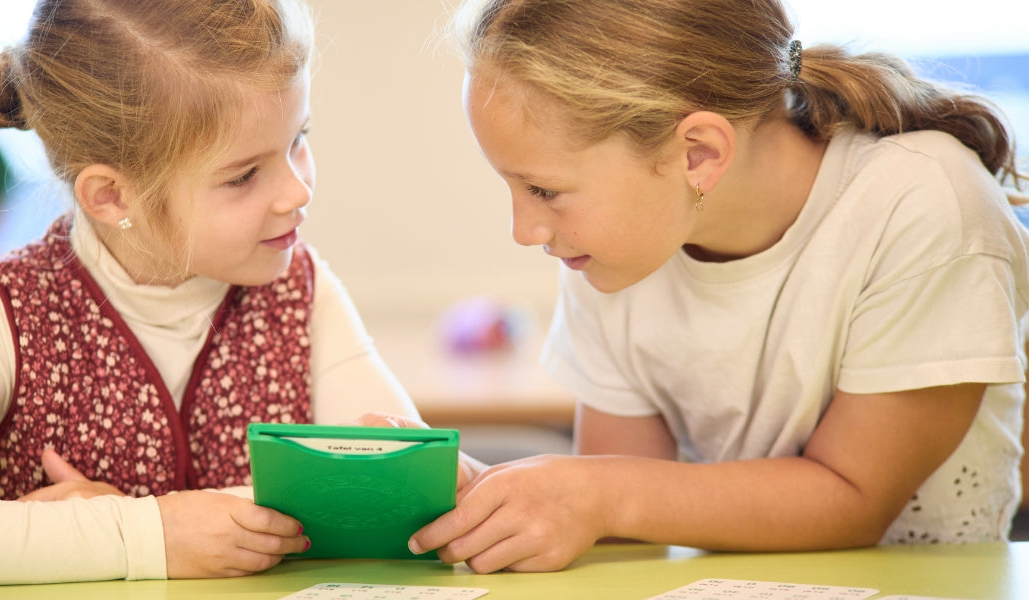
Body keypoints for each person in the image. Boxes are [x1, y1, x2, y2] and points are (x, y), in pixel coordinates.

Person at [408, 0, 1029, 574]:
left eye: (543, 190)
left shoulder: (923, 203)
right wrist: (498, 497)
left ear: (699, 154)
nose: (525, 230)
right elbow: (624, 513)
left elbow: (853, 497)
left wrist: (593, 490)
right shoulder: (611, 251)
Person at [0, 0, 428, 588]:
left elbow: (412, 512)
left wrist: (395, 486)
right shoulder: (2, 311)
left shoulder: (303, 291)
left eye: (299, 137)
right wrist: (138, 533)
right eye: (244, 175)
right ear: (112, 197)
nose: (297, 191)